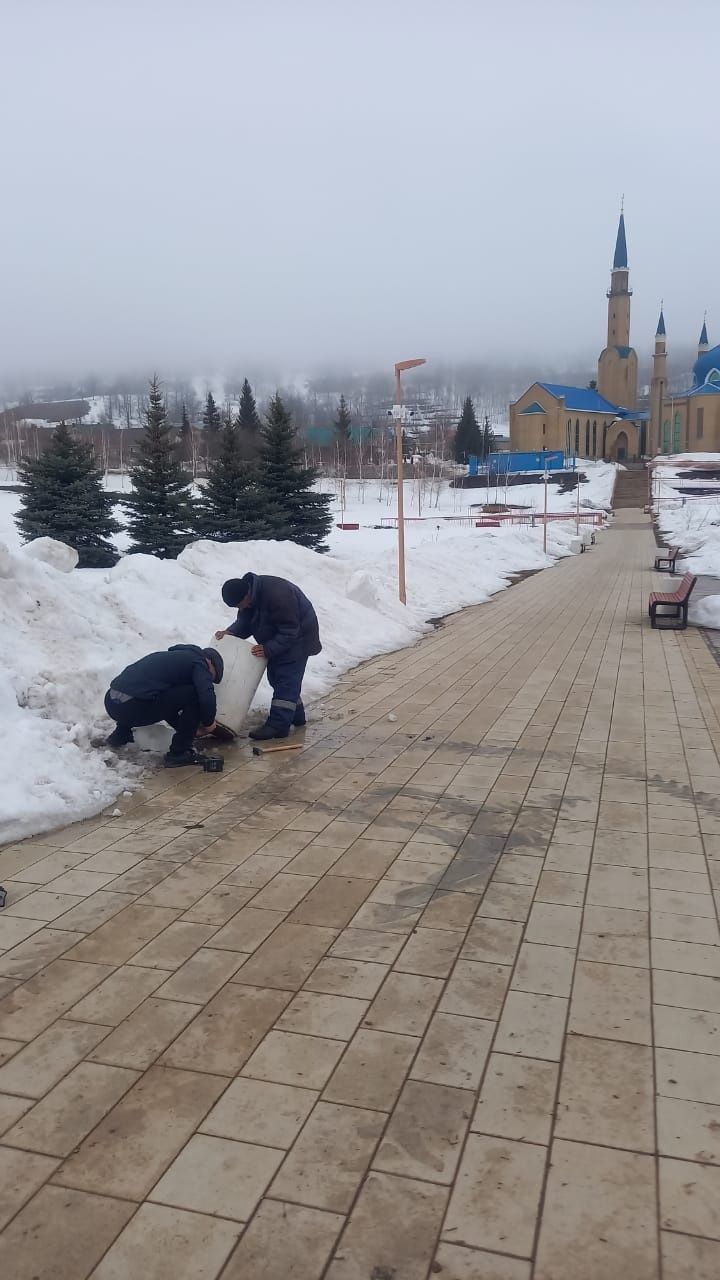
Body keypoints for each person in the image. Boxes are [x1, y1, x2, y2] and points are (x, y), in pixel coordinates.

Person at [216, 573, 321, 741]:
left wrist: (268, 648)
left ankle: (278, 726)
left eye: (239, 605)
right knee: (277, 678)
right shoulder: (249, 597)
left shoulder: (277, 595)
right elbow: (246, 621)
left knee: (285, 680)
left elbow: (290, 630)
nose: (240, 609)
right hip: (281, 637)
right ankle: (296, 716)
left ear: (246, 595)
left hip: (300, 638)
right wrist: (231, 632)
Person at [104, 644, 224, 767]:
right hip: (132, 708)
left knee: (145, 689)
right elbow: (206, 697)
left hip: (112, 703)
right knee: (195, 694)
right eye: (210, 677)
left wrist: (187, 729)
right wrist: (208, 724)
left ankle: (120, 735)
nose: (208, 680)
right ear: (209, 662)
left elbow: (166, 703)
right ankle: (179, 753)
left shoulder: (176, 659)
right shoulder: (200, 662)